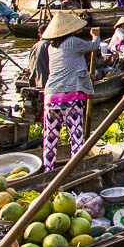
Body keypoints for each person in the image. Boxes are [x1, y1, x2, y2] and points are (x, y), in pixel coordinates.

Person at [42, 14, 101, 171]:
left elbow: (67, 66)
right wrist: (96, 36)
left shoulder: (51, 47)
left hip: (50, 96)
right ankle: (76, 168)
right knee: (76, 136)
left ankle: (48, 169)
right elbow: (94, 46)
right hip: (69, 96)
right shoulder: (73, 42)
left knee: (50, 137)